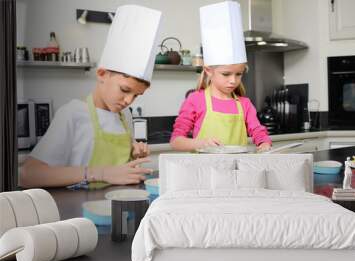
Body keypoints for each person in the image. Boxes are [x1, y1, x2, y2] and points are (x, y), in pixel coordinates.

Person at [19, 5, 162, 189]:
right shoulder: (73, 113)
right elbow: (29, 175)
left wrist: (134, 153)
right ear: (102, 74)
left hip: (117, 207)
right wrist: (101, 173)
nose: (128, 101)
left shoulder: (123, 116)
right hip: (79, 211)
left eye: (136, 95)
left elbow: (118, 169)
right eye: (125, 90)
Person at [170, 1, 272, 152]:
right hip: (203, 172)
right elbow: (176, 141)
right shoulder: (195, 100)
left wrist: (264, 144)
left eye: (239, 74)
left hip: (237, 172)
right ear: (209, 71)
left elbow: (258, 131)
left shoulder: (244, 104)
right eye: (226, 74)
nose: (233, 80)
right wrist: (200, 143)